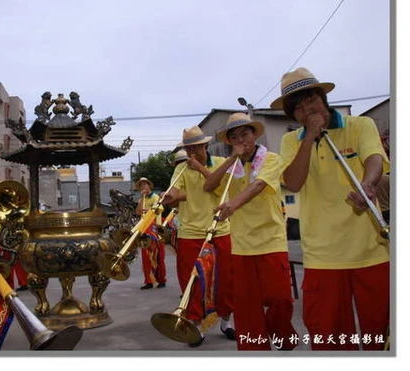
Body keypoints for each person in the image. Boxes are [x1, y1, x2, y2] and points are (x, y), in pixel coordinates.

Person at [271, 67, 390, 350]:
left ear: (322, 98)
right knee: (329, 337)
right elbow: (293, 182)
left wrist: (368, 185)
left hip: (370, 252)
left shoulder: (359, 125)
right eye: (297, 107)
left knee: (382, 334)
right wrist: (309, 137)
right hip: (322, 257)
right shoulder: (291, 141)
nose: (306, 109)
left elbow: (374, 158)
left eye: (310, 99)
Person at [205, 112, 298, 351]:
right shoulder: (231, 168)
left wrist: (233, 204)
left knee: (280, 300)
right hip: (242, 246)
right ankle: (253, 350)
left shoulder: (272, 159)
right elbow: (209, 185)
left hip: (272, 241)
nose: (240, 140)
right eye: (234, 137)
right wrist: (229, 160)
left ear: (254, 135)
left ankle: (281, 334)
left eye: (245, 133)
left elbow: (258, 186)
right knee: (246, 306)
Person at [162, 126, 236, 345]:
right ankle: (195, 325)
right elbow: (175, 190)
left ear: (205, 145)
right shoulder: (182, 169)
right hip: (190, 233)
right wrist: (169, 196)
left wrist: (201, 168)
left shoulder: (222, 162)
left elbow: (221, 189)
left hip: (220, 230)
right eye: (188, 148)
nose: (192, 152)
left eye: (196, 147)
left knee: (226, 279)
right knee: (191, 281)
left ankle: (226, 322)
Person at [134, 177, 167, 290]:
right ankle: (149, 281)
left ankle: (161, 279)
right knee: (145, 256)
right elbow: (138, 211)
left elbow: (158, 210)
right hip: (144, 228)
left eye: (145, 185)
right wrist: (142, 199)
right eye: (141, 186)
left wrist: (148, 212)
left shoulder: (155, 197)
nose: (144, 187)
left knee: (158, 255)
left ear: (149, 186)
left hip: (154, 227)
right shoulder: (141, 199)